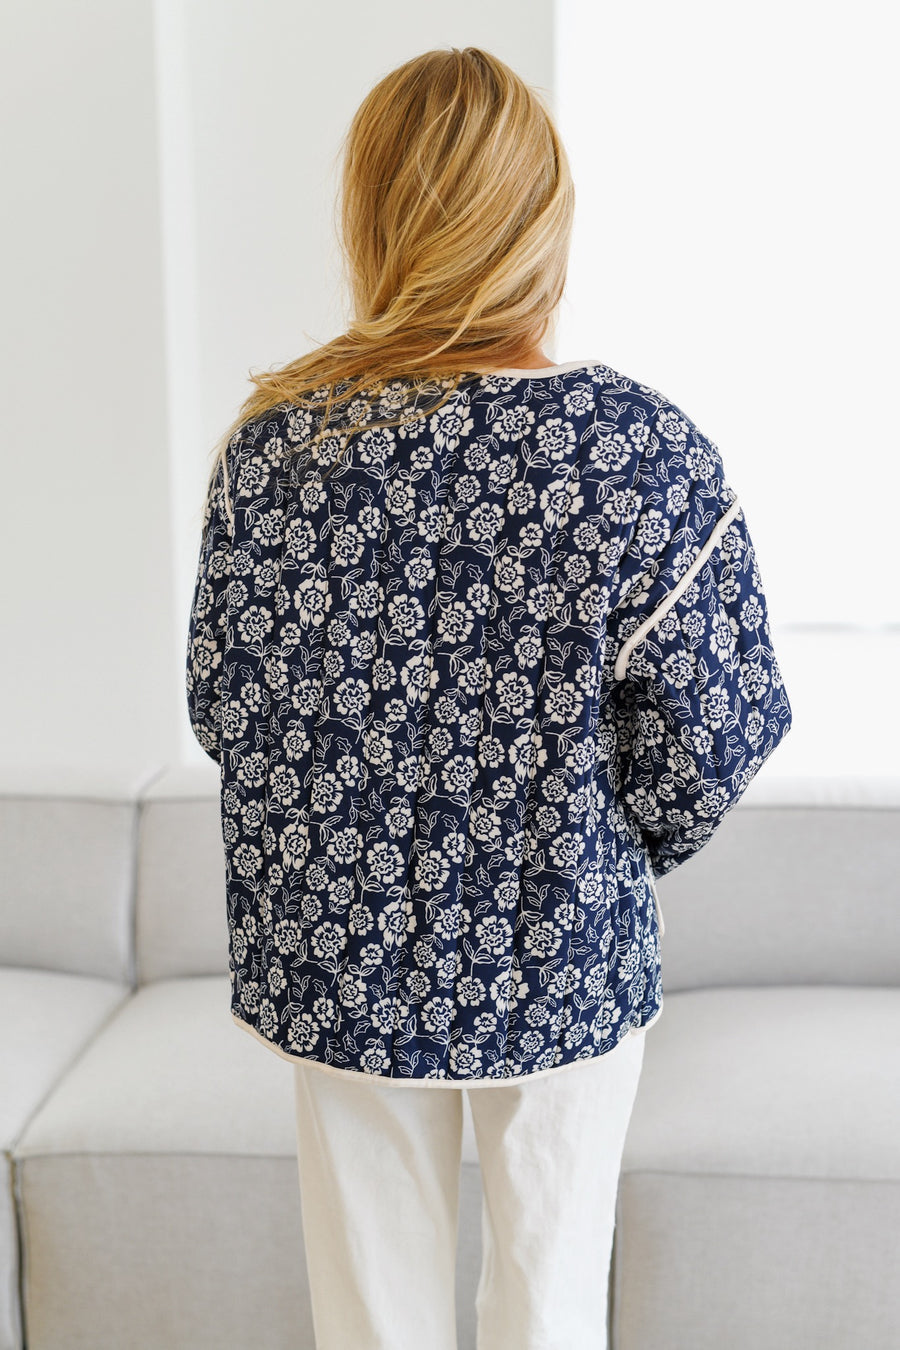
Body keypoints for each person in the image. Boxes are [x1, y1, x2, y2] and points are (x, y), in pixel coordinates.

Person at [186, 45, 793, 1350]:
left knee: (370, 1320)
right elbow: (708, 744)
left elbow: (225, 712)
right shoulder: (641, 454)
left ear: (372, 219)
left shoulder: (275, 452)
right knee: (550, 1307)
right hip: (566, 944)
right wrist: (581, 831)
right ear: (541, 220)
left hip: (340, 956)